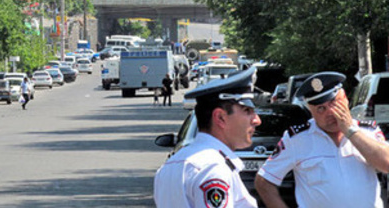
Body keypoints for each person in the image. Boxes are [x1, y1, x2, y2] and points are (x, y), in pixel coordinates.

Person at [255, 72, 389, 208]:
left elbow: (386, 164)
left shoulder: (368, 131)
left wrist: (351, 131)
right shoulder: (297, 139)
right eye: (321, 108)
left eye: (334, 103)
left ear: (346, 99)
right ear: (310, 111)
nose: (330, 112)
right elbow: (264, 180)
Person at [154, 67, 261, 208]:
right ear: (220, 117)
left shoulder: (172, 165)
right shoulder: (212, 168)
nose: (256, 120)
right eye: (247, 111)